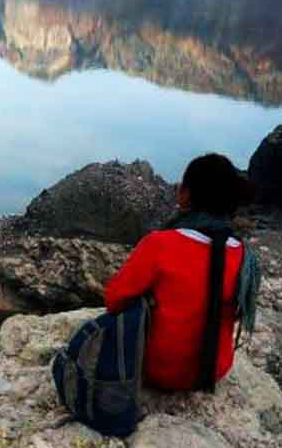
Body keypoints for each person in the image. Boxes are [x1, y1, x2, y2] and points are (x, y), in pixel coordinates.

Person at [104, 153, 256, 392]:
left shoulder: (159, 244)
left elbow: (114, 300)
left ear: (185, 194)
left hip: (159, 370)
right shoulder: (245, 256)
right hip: (215, 370)